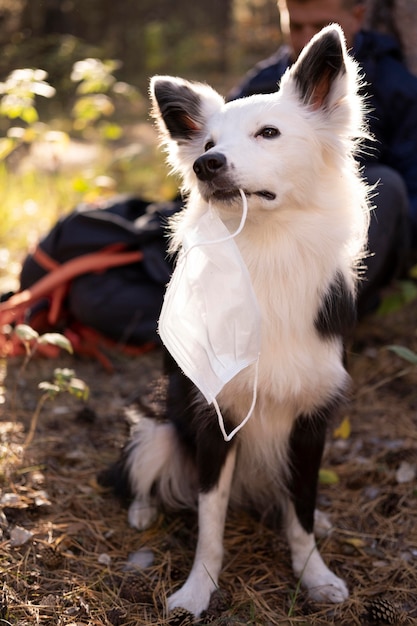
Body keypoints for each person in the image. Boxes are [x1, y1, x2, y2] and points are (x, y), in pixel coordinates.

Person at [228, 0, 417, 316]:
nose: (305, 41)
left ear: (357, 16)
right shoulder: (260, 85)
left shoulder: (395, 85)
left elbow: (413, 187)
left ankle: (324, 317)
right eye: (295, 27)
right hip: (267, 237)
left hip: (359, 237)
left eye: (319, 27)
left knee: (386, 186)